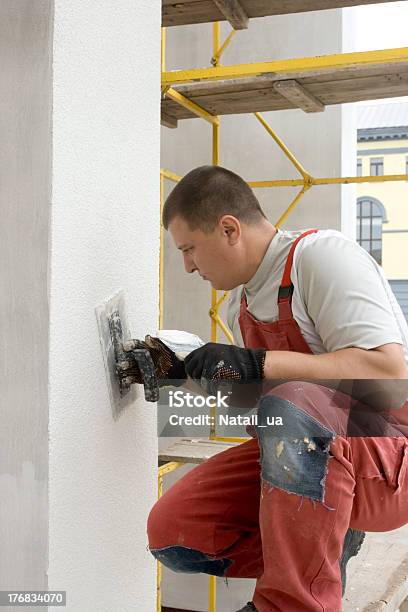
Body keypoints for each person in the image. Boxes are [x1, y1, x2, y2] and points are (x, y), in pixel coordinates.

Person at [132, 165, 408, 611]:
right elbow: (271, 418)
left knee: (293, 400)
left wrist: (256, 363)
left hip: (390, 456)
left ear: (228, 229)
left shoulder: (320, 257)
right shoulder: (245, 303)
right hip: (321, 452)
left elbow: (389, 379)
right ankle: (327, 541)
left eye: (189, 249)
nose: (187, 266)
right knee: (176, 532)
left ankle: (290, 603)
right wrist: (187, 373)